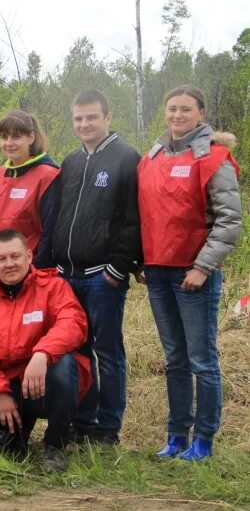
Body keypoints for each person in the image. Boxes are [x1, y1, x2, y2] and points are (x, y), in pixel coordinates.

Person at [138, 85, 242, 461]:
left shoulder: (214, 158)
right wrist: (141, 261)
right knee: (175, 359)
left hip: (193, 275)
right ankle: (177, 435)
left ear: (201, 113)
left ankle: (204, 440)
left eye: (185, 109)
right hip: (158, 274)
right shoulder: (151, 157)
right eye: (172, 109)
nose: (177, 115)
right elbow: (144, 214)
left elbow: (229, 221)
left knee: (201, 359)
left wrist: (203, 266)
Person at [0, 230, 90, 473]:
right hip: (6, 383)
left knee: (64, 363)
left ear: (29, 256)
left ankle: (55, 446)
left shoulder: (54, 287)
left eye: (15, 256)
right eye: (2, 259)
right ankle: (14, 432)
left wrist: (42, 354)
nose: (10, 264)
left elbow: (73, 322)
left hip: (43, 384)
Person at [51, 91, 141, 446]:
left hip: (103, 276)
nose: (84, 125)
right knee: (77, 351)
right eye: (78, 119)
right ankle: (82, 421)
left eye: (91, 117)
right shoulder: (70, 161)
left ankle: (108, 428)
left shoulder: (126, 158)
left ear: (107, 117)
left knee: (108, 352)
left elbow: (134, 219)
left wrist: (119, 268)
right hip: (68, 276)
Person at [0, 110, 59, 280]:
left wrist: (39, 270)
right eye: (4, 137)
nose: (9, 143)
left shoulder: (48, 175)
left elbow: (50, 232)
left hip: (26, 271)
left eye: (16, 137)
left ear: (31, 137)